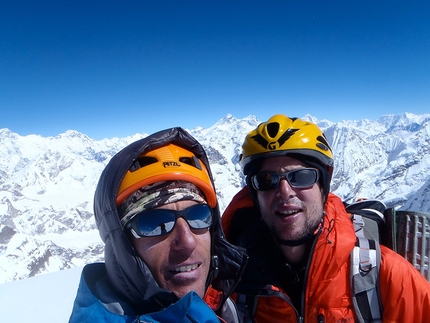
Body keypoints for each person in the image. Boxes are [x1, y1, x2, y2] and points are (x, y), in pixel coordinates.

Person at [222, 114, 430, 322]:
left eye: (301, 177)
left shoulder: (386, 276)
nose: (285, 192)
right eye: (267, 180)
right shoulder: (227, 282)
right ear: (255, 194)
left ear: (323, 186)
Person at [69, 127, 248, 323]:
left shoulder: (222, 304)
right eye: (156, 223)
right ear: (122, 244)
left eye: (199, 215)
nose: (187, 241)